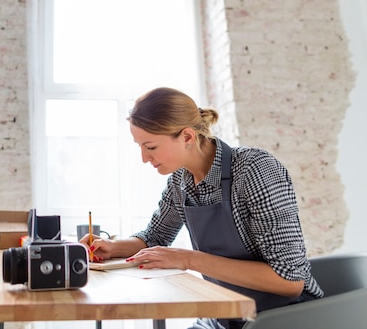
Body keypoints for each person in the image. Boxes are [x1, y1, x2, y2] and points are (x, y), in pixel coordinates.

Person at [79, 87, 323, 329]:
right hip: (225, 316)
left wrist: (188, 259)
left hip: (283, 317)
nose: (144, 158)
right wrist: (112, 247)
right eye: (140, 146)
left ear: (187, 137)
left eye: (151, 147)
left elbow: (290, 280)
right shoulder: (179, 180)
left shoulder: (255, 170)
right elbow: (154, 237)